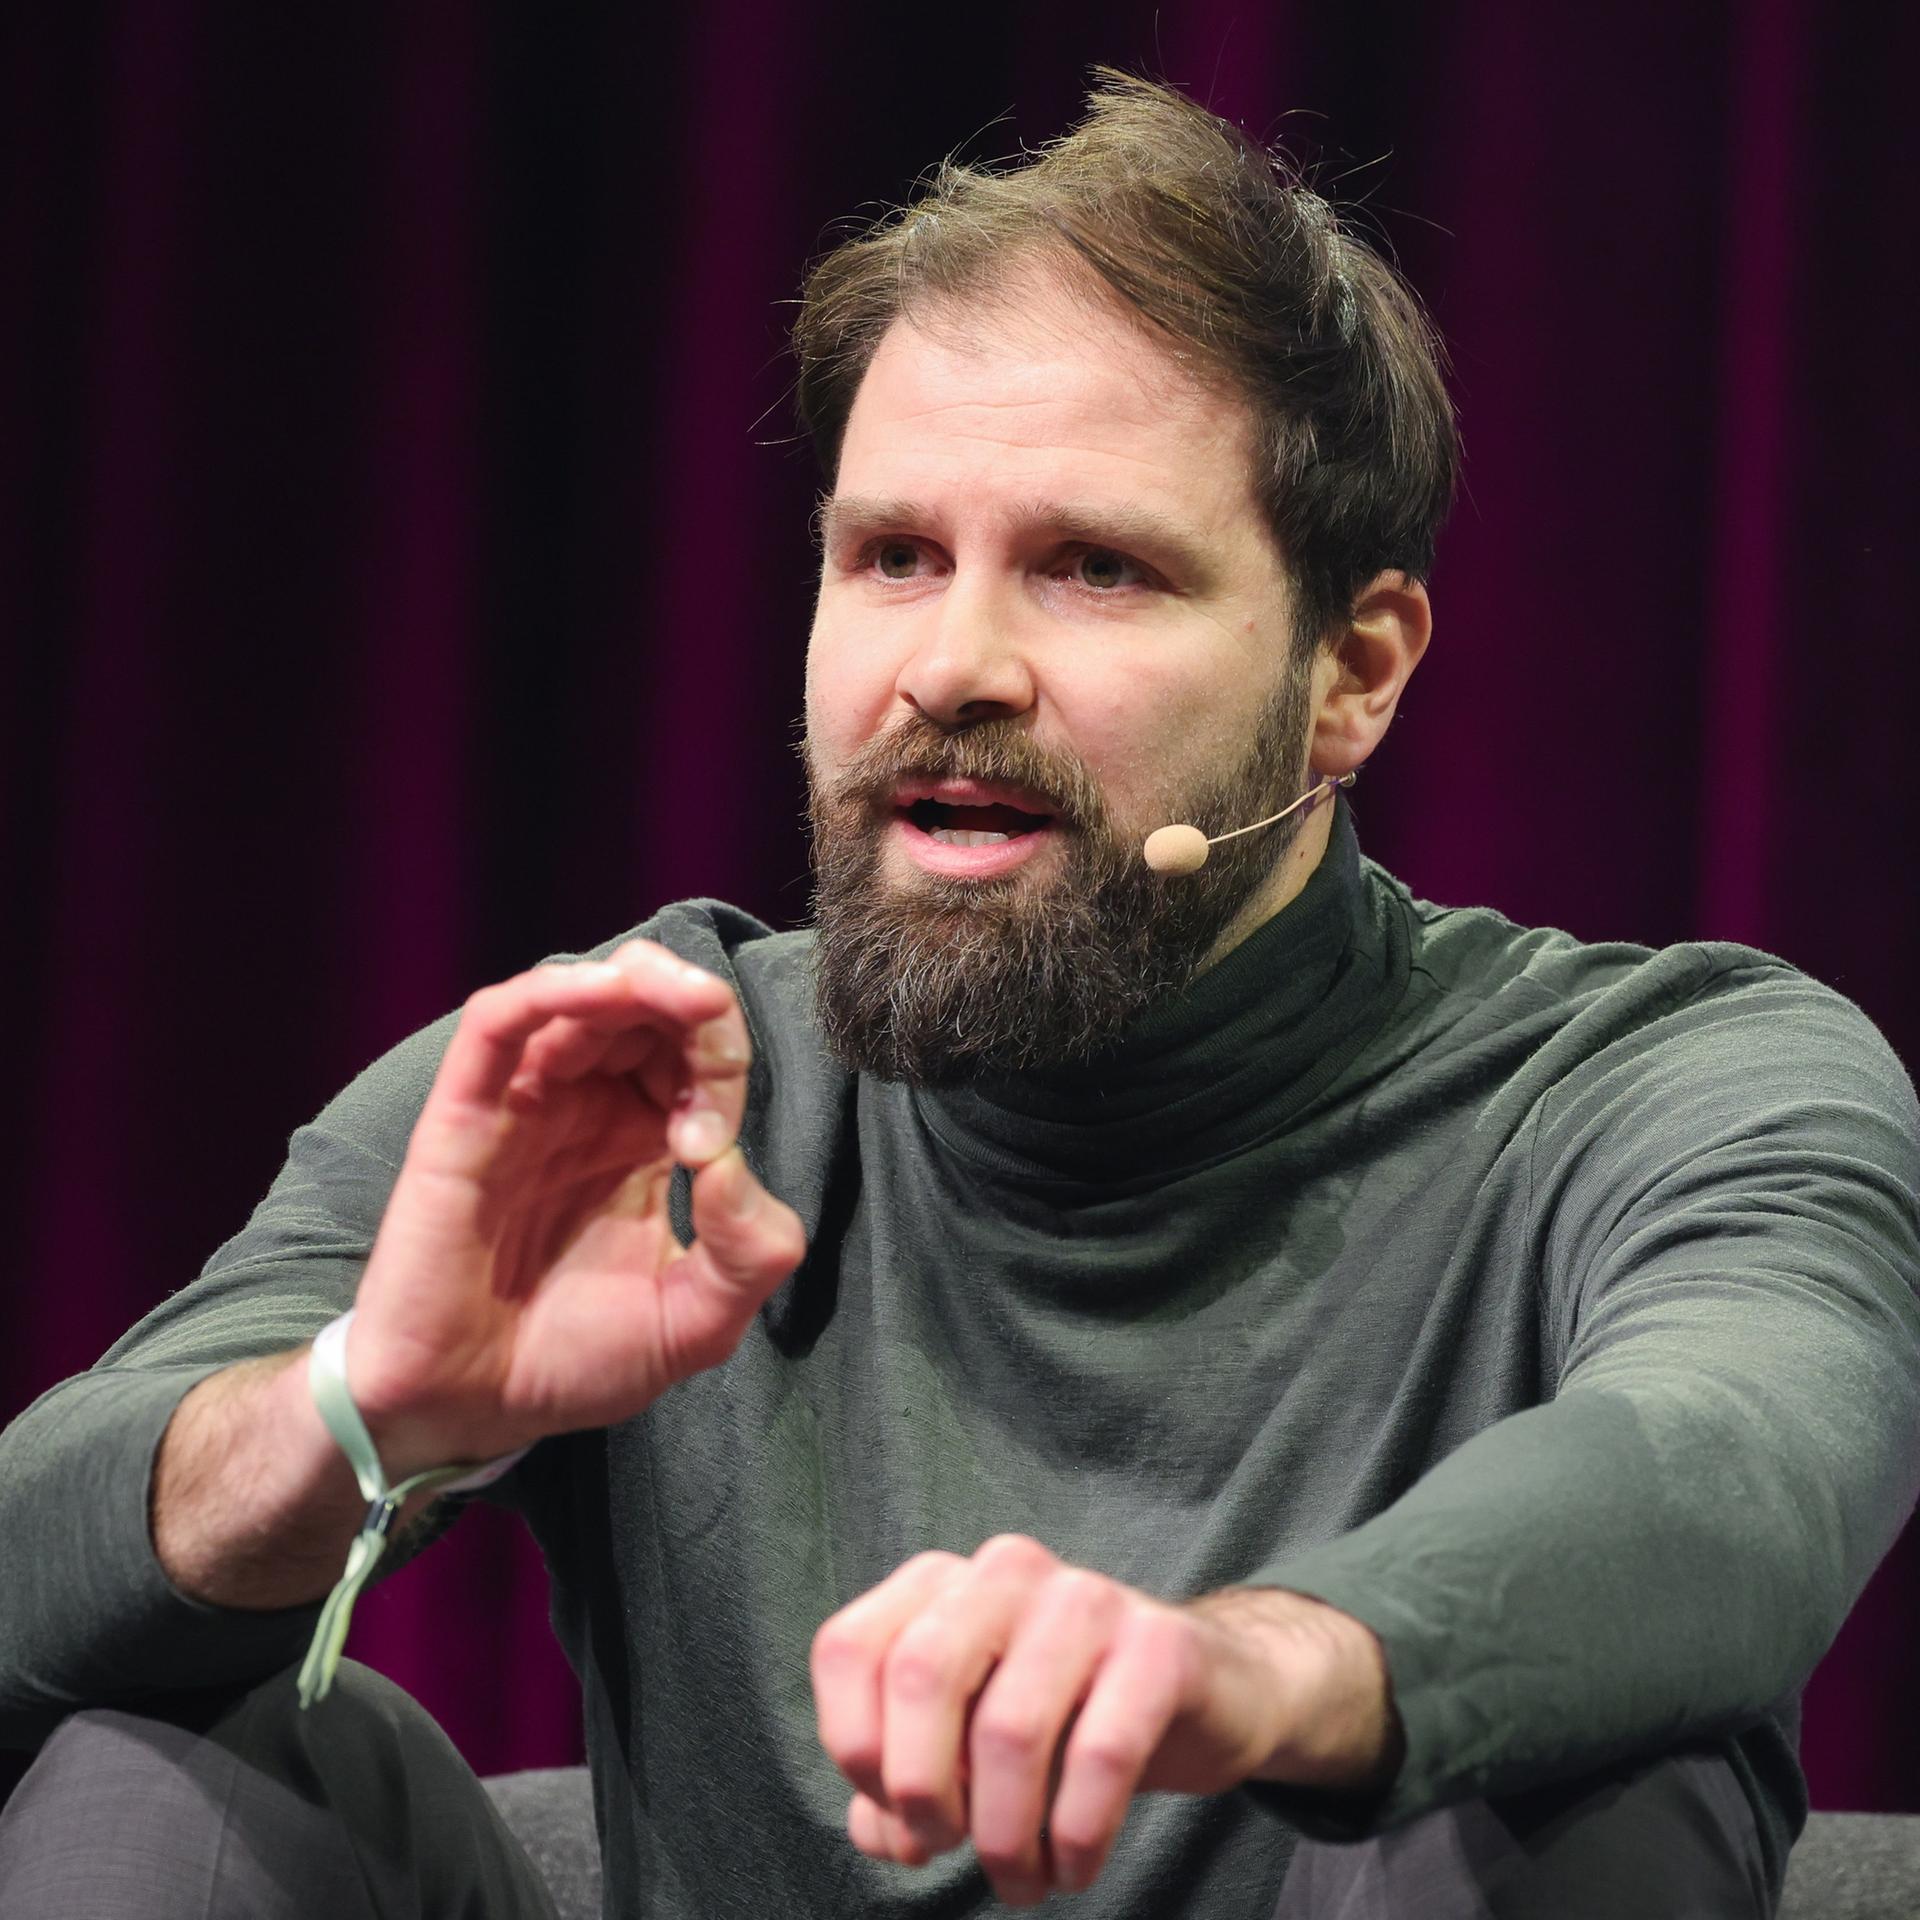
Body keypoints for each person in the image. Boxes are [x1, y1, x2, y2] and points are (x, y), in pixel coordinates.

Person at [2, 68, 1916, 1920]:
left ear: (1354, 673)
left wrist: (1251, 1671)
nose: (953, 663)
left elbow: (1741, 1464)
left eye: (1095, 569)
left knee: (1579, 1752)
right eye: (893, 555)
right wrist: (368, 1408)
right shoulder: (639, 1086)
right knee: (156, 1745)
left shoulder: (1663, 1084)